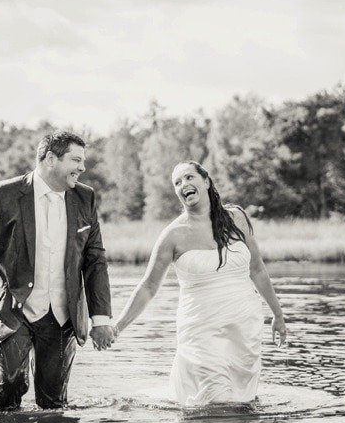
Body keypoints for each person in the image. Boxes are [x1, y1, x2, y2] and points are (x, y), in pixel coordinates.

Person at [0, 130, 116, 410]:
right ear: (51, 159)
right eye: (76, 160)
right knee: (11, 382)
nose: (82, 167)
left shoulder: (85, 198)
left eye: (83, 161)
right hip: (12, 310)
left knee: (53, 402)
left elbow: (95, 260)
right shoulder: (2, 194)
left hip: (61, 315)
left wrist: (101, 318)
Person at [109, 161, 287, 406]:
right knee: (215, 400)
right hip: (202, 330)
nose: (184, 185)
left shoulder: (237, 218)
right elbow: (148, 287)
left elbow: (257, 269)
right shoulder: (173, 235)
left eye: (189, 177)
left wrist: (277, 315)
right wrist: (117, 327)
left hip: (244, 328)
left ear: (206, 181)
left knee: (241, 404)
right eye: (177, 183)